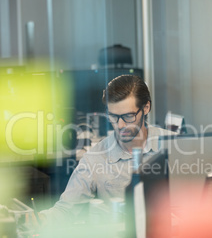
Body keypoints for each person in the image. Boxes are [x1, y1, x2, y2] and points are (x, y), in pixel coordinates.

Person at [39, 74, 172, 224]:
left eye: (128, 116)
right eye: (113, 116)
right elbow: (66, 209)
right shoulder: (95, 158)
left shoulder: (174, 144)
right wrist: (38, 219)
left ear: (146, 107)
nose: (120, 125)